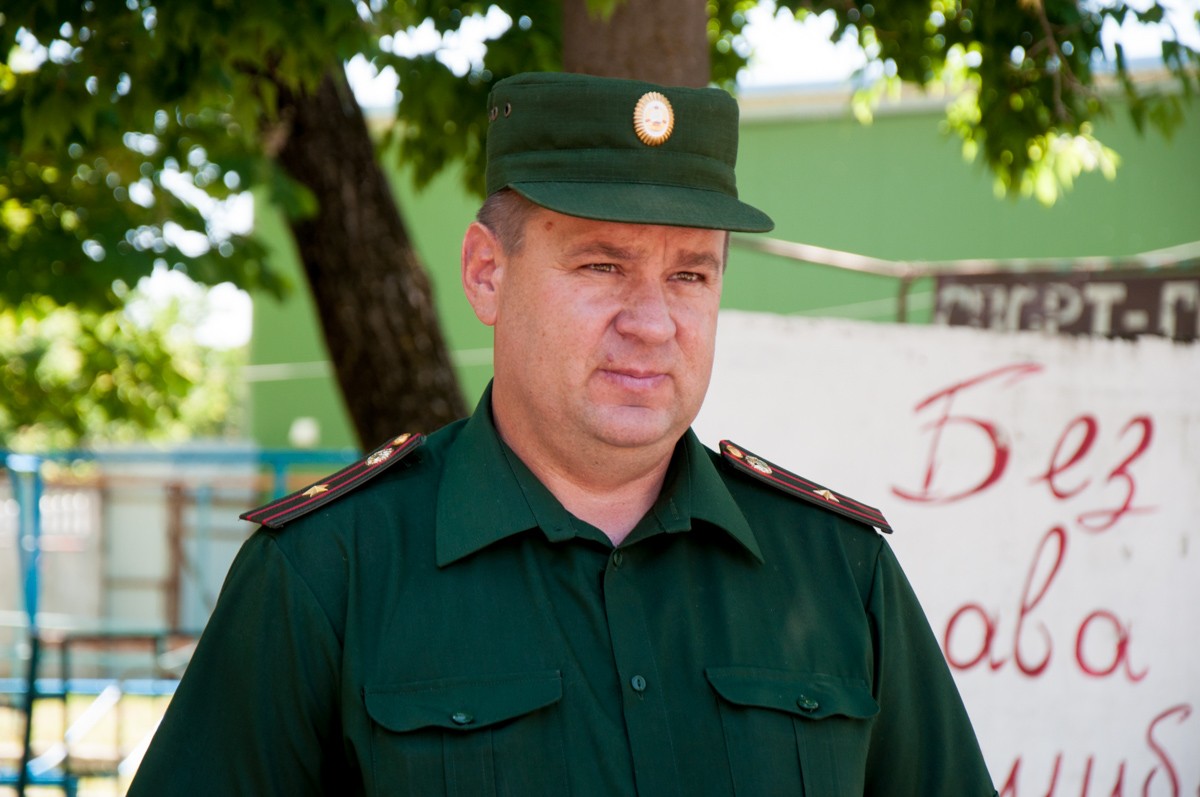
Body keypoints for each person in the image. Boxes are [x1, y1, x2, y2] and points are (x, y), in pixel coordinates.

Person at [128, 72, 997, 796]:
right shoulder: (329, 574)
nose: (652, 322)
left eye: (691, 274)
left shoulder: (839, 572)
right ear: (486, 273)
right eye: (602, 265)